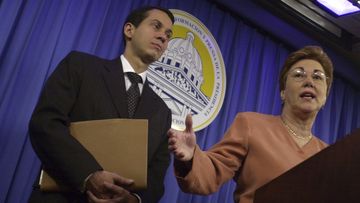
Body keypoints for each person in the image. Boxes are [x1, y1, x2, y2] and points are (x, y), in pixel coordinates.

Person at [28, 6, 174, 203]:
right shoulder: (80, 66)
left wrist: (133, 199)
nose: (163, 37)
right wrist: (89, 175)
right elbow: (46, 124)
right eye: (156, 26)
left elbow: (156, 176)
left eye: (168, 34)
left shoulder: (162, 112)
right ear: (129, 30)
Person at [168, 46, 333, 203]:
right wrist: (191, 158)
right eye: (299, 75)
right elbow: (212, 171)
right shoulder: (251, 126)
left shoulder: (330, 156)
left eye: (318, 77)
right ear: (283, 92)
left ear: (325, 97)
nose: (309, 81)